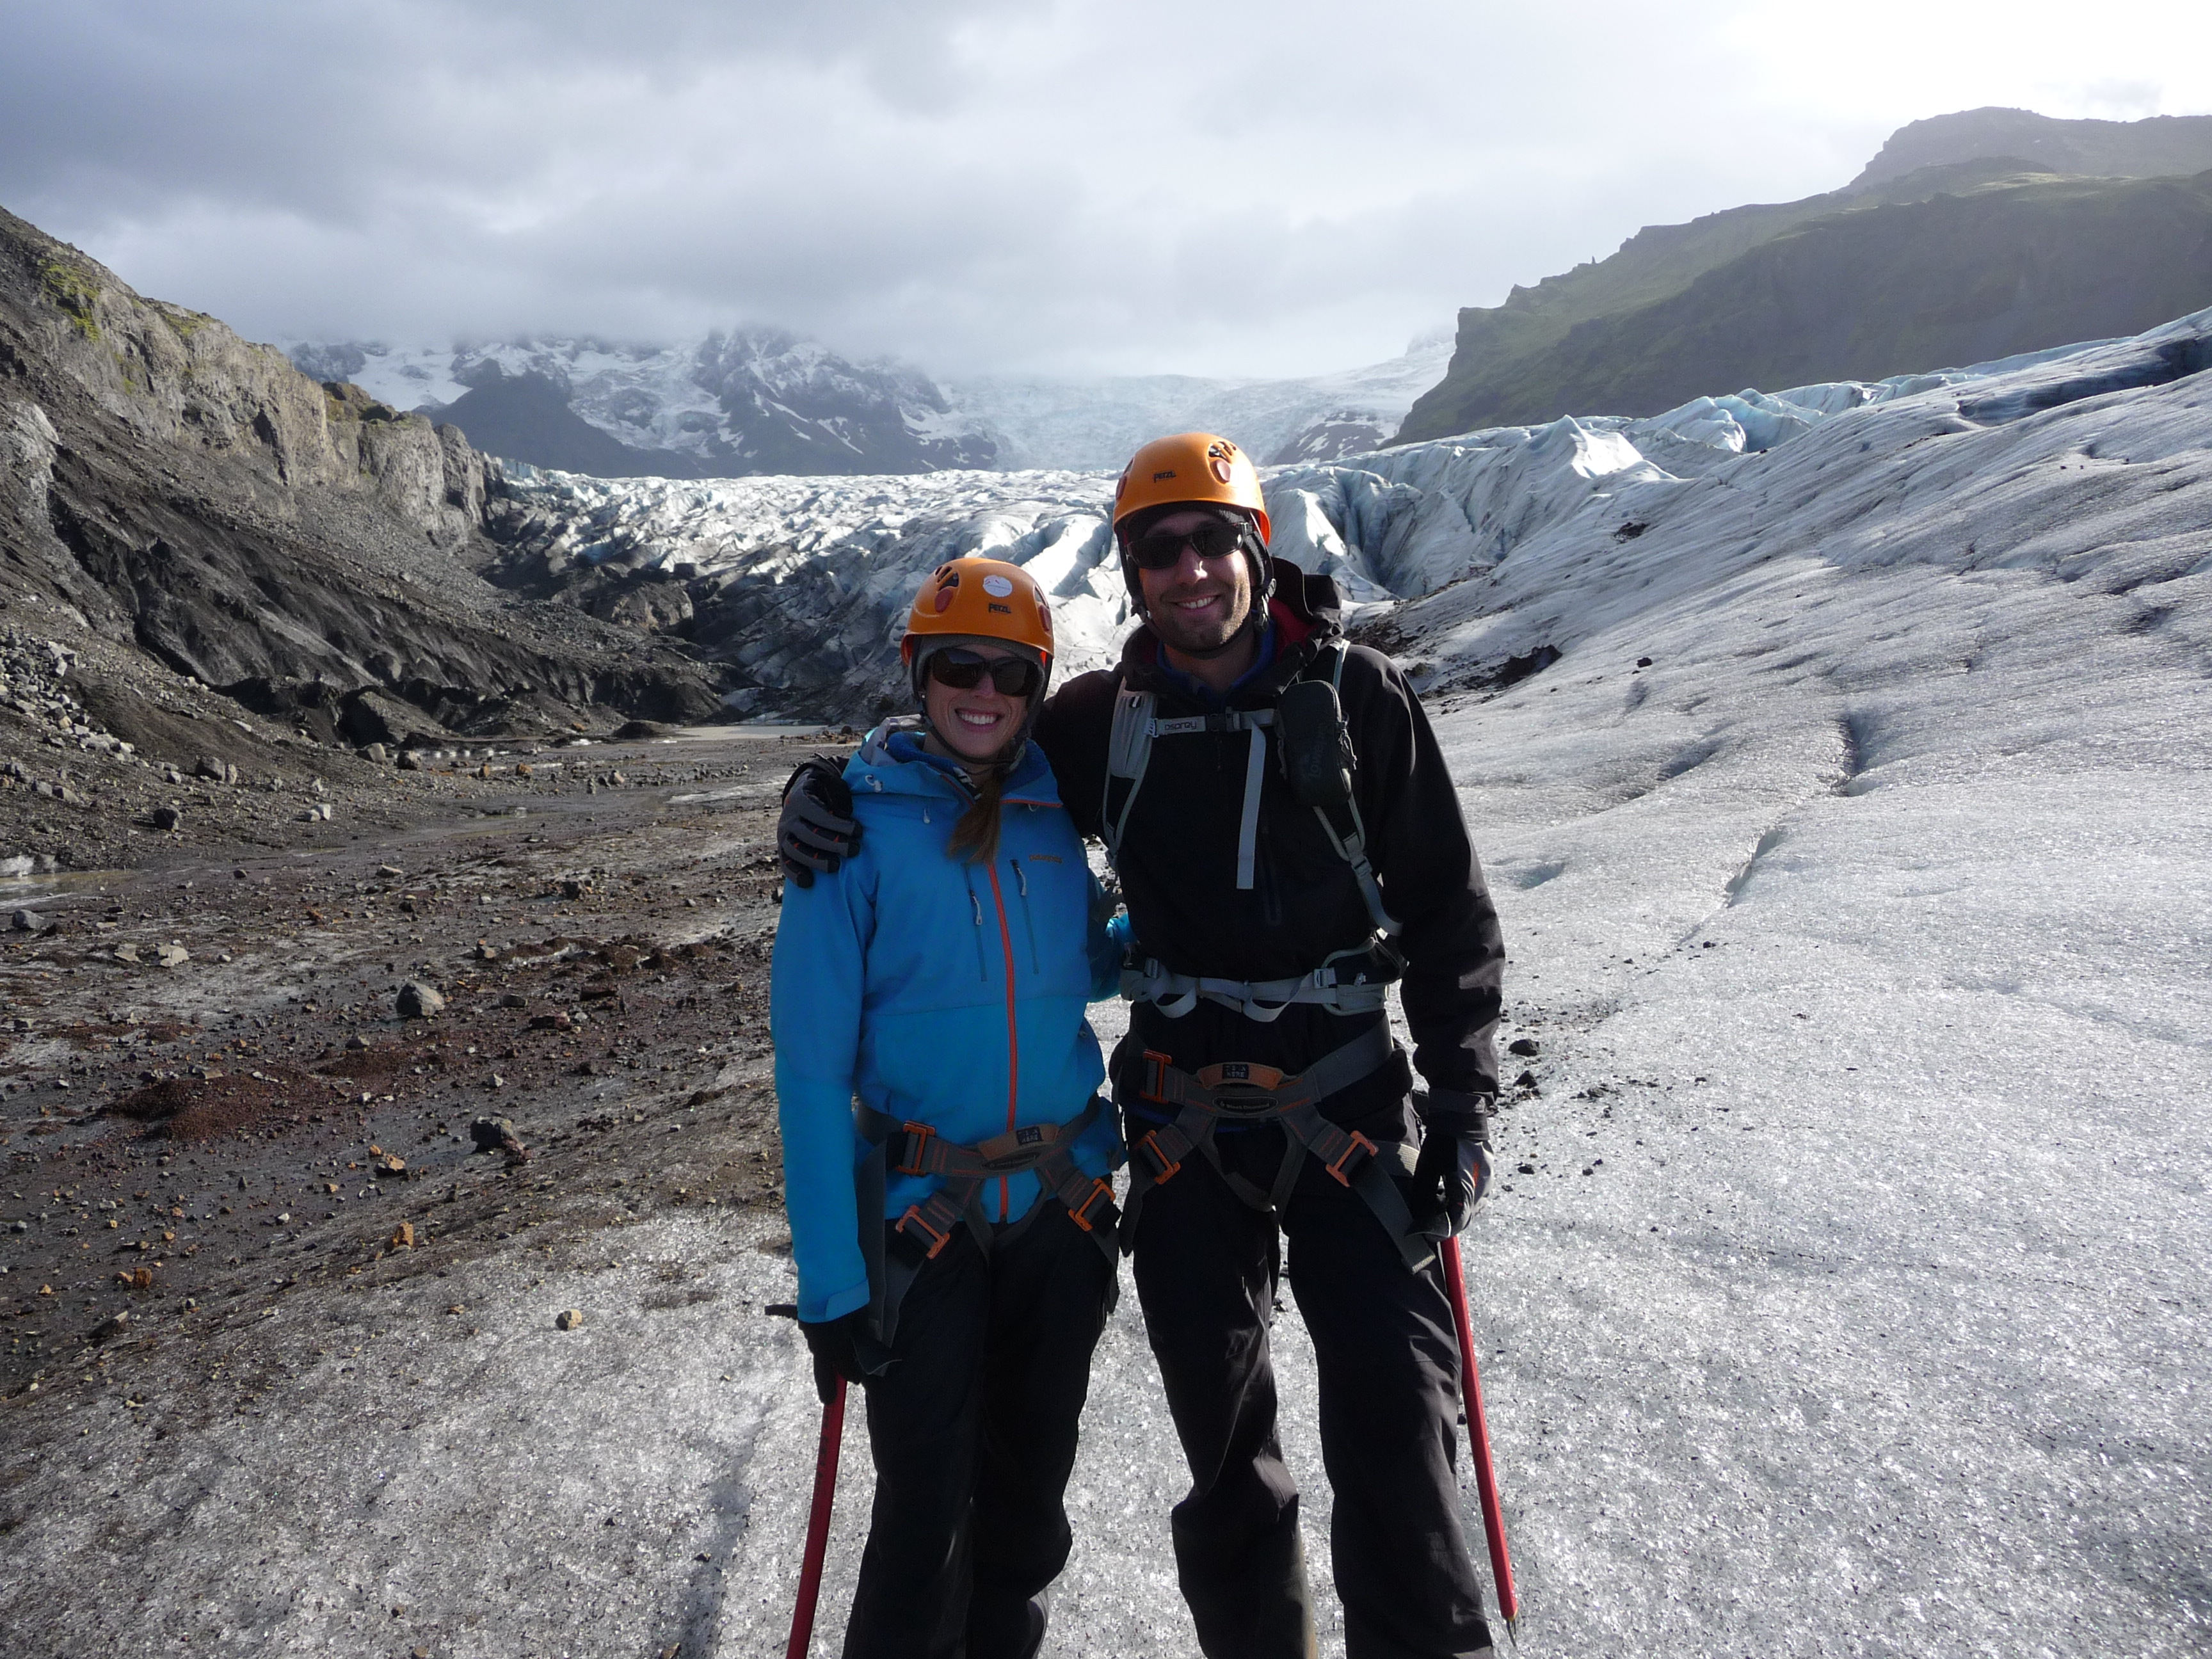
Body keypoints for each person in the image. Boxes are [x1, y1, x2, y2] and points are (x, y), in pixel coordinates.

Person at [783, 433, 1508, 1659]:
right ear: (1131, 571)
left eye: (1211, 539)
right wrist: (826, 790)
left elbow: (1447, 911)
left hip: (1354, 1118)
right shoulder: (1094, 723)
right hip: (1180, 1140)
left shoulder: (1360, 699)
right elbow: (964, 755)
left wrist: (1465, 1102)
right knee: (1226, 1453)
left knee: (1398, 1428)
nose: (1189, 570)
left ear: (1256, 548)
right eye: (1158, 549)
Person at [771, 556, 1125, 1659]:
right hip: (923, 1224)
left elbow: (1082, 965)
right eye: (958, 666)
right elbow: (810, 1069)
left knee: (1027, 1502)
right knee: (926, 1512)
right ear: (918, 675)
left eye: (1009, 674)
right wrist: (832, 1280)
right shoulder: (850, 834)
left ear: (1034, 688)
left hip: (1062, 1211)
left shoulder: (1052, 816)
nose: (984, 692)